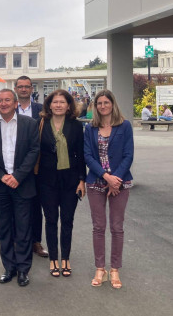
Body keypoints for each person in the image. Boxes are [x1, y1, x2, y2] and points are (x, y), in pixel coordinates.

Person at [0, 89, 40, 287]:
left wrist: (17, 176)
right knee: (3, 228)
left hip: (22, 184)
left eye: (7, 100)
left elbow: (34, 151)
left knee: (23, 228)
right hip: (0, 185)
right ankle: (9, 267)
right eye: (0, 100)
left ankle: (23, 269)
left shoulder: (30, 124)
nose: (3, 103)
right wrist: (2, 176)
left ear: (15, 103)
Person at [84, 90, 134, 289]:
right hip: (96, 182)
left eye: (106, 102)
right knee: (98, 227)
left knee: (117, 227)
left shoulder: (124, 126)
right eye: (99, 103)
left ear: (113, 104)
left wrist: (116, 180)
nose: (103, 106)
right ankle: (100, 268)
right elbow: (88, 155)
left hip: (120, 183)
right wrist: (106, 177)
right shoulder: (90, 128)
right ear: (95, 106)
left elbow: (128, 155)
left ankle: (114, 269)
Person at [36, 90, 86, 278]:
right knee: (50, 220)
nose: (58, 105)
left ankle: (65, 257)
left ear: (68, 105)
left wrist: (82, 180)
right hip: (46, 181)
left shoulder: (75, 126)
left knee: (67, 221)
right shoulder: (40, 124)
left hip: (70, 180)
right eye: (55, 102)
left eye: (62, 102)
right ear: (49, 105)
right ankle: (53, 259)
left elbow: (81, 154)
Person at [15, 76, 48, 259]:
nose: (24, 89)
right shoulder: (9, 108)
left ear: (31, 89)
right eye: (21, 87)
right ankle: (18, 240)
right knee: (16, 205)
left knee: (36, 205)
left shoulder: (41, 110)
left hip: (37, 165)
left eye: (27, 87)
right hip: (15, 164)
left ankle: (36, 241)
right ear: (16, 88)